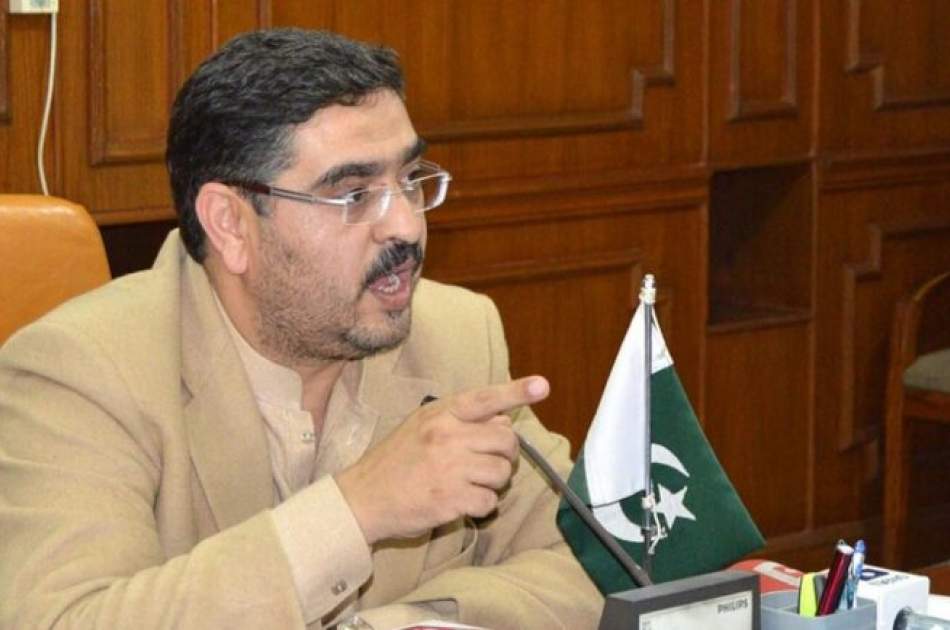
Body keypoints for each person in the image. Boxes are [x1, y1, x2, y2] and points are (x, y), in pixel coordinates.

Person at [0, 28, 602, 629]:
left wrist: (398, 625)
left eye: (410, 180)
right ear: (230, 224)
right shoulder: (81, 371)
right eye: (353, 195)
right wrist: (356, 508)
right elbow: (63, 620)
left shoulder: (457, 335)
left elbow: (600, 565)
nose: (406, 226)